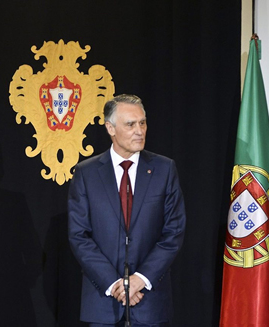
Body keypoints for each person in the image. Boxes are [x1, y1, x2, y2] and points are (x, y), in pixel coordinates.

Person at [68, 94, 186, 327]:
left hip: (149, 301)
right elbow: (79, 236)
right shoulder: (86, 173)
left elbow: (173, 231)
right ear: (110, 128)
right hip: (103, 302)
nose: (139, 131)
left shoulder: (164, 169)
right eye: (130, 124)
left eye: (142, 123)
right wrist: (115, 283)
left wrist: (139, 280)